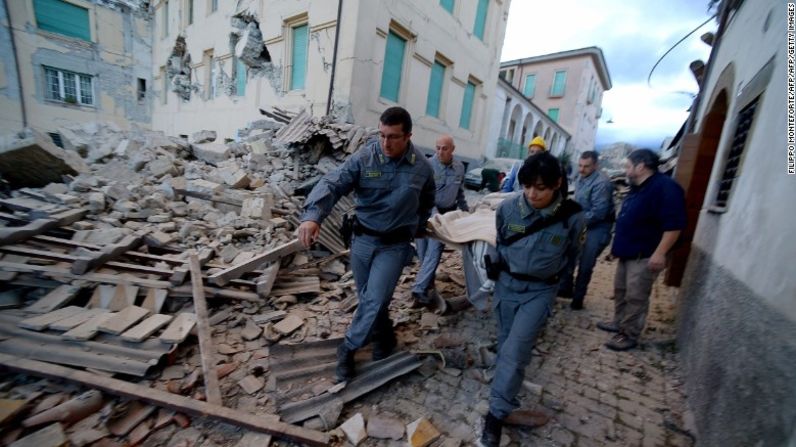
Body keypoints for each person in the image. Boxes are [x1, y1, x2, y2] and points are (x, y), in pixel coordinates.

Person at [298, 107, 435, 382]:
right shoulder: (366, 156)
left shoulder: (422, 167)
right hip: (362, 240)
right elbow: (333, 182)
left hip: (394, 246)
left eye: (394, 137)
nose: (386, 143)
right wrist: (313, 217)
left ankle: (347, 348)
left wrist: (418, 226)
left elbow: (427, 200)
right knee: (368, 298)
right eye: (382, 135)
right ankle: (384, 335)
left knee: (375, 298)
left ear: (408, 136)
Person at [479, 152, 583, 447]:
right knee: (506, 345)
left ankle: (496, 415)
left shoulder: (572, 216)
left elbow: (574, 252)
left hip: (539, 292)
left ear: (557, 185)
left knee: (515, 350)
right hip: (507, 287)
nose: (532, 194)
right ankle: (506, 388)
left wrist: (560, 283)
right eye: (527, 186)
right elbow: (499, 242)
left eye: (540, 188)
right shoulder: (508, 210)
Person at [598, 149, 686, 351]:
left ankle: (629, 334)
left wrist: (660, 253)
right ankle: (619, 322)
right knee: (621, 291)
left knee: (636, 296)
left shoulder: (666, 188)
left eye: (628, 166)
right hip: (627, 253)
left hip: (644, 255)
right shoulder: (639, 187)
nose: (625, 170)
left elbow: (674, 226)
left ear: (641, 166)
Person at [412, 134, 469, 309]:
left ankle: (419, 289)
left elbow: (459, 192)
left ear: (452, 149)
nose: (440, 152)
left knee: (434, 251)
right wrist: (434, 213)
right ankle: (427, 291)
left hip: (445, 215)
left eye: (444, 148)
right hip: (424, 212)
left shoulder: (459, 168)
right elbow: (420, 193)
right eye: (437, 148)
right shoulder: (427, 165)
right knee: (423, 255)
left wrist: (465, 210)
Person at [558, 151, 615, 310]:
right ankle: (566, 288)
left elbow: (599, 213)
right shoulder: (581, 178)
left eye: (586, 166)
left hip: (598, 228)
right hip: (583, 224)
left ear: (596, 165)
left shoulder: (601, 184)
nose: (581, 169)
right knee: (568, 254)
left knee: (585, 264)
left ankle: (578, 298)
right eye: (580, 165)